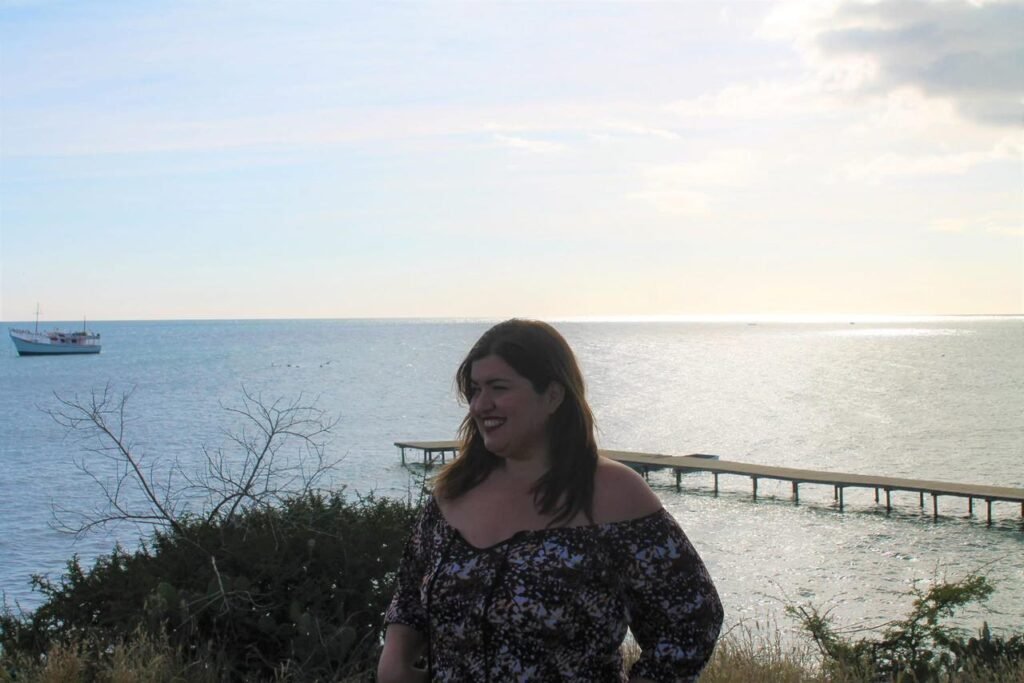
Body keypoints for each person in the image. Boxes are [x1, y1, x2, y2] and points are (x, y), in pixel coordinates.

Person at [378, 319, 723, 682]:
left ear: (554, 395)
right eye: (475, 390)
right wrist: (395, 658)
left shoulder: (616, 494)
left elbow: (693, 620)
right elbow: (410, 590)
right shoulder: (454, 491)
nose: (480, 405)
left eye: (498, 387)